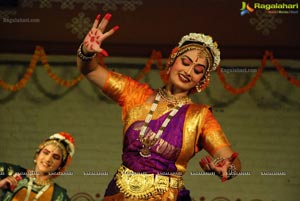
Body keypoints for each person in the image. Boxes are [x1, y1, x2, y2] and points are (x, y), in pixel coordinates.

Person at [77, 13, 241, 201]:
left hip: (168, 196)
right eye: (185, 62)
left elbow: (232, 160)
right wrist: (87, 52)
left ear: (201, 81)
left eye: (197, 70)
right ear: (172, 61)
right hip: (120, 192)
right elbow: (90, 69)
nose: (188, 71)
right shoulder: (134, 93)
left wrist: (226, 167)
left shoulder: (200, 116)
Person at [0, 132, 75, 201]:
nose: (48, 159)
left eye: (55, 157)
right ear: (37, 156)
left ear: (60, 166)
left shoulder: (59, 195)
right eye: (45, 153)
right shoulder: (14, 173)